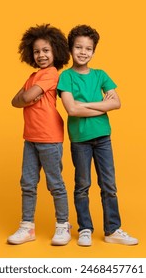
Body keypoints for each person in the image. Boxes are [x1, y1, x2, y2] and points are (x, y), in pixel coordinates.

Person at [57, 24, 138, 246]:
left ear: (94, 51)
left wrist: (88, 104)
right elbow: (72, 109)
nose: (83, 52)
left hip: (103, 137)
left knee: (109, 185)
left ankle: (113, 229)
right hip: (80, 139)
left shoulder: (101, 75)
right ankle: (85, 228)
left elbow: (117, 103)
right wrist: (103, 105)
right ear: (70, 49)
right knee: (82, 184)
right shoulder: (66, 77)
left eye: (88, 48)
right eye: (78, 47)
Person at [8, 24, 71, 246]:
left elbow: (24, 98)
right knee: (27, 182)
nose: (41, 55)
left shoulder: (52, 74)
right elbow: (15, 101)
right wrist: (26, 97)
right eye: (36, 51)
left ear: (56, 51)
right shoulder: (33, 76)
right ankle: (27, 227)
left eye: (46, 50)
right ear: (30, 54)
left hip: (49, 138)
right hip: (30, 138)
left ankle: (63, 225)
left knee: (55, 184)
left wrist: (27, 97)